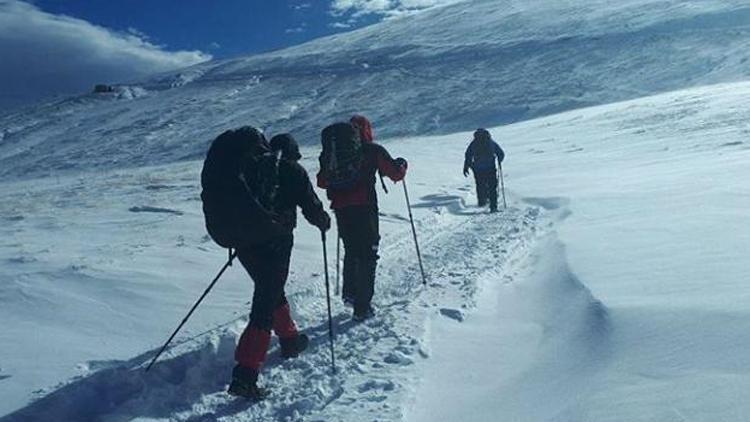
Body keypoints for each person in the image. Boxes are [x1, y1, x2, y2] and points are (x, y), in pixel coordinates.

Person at [203, 128, 330, 400]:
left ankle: (290, 340)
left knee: (271, 289)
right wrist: (324, 222)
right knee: (265, 299)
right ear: (294, 153)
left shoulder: (250, 169)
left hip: (246, 243)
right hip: (276, 242)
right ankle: (245, 374)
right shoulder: (293, 171)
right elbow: (311, 208)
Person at [317, 115, 408, 321]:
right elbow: (395, 174)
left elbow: (322, 181)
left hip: (341, 208)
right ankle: (362, 307)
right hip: (365, 207)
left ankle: (350, 293)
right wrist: (402, 165)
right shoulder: (371, 150)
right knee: (368, 254)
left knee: (352, 250)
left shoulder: (333, 150)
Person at [463, 128, 505, 212]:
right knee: (492, 187)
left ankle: (482, 202)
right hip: (490, 168)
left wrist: (467, 166)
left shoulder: (474, 143)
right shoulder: (490, 142)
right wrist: (499, 160)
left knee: (480, 185)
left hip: (478, 169)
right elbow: (501, 153)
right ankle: (493, 206)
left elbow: (468, 155)